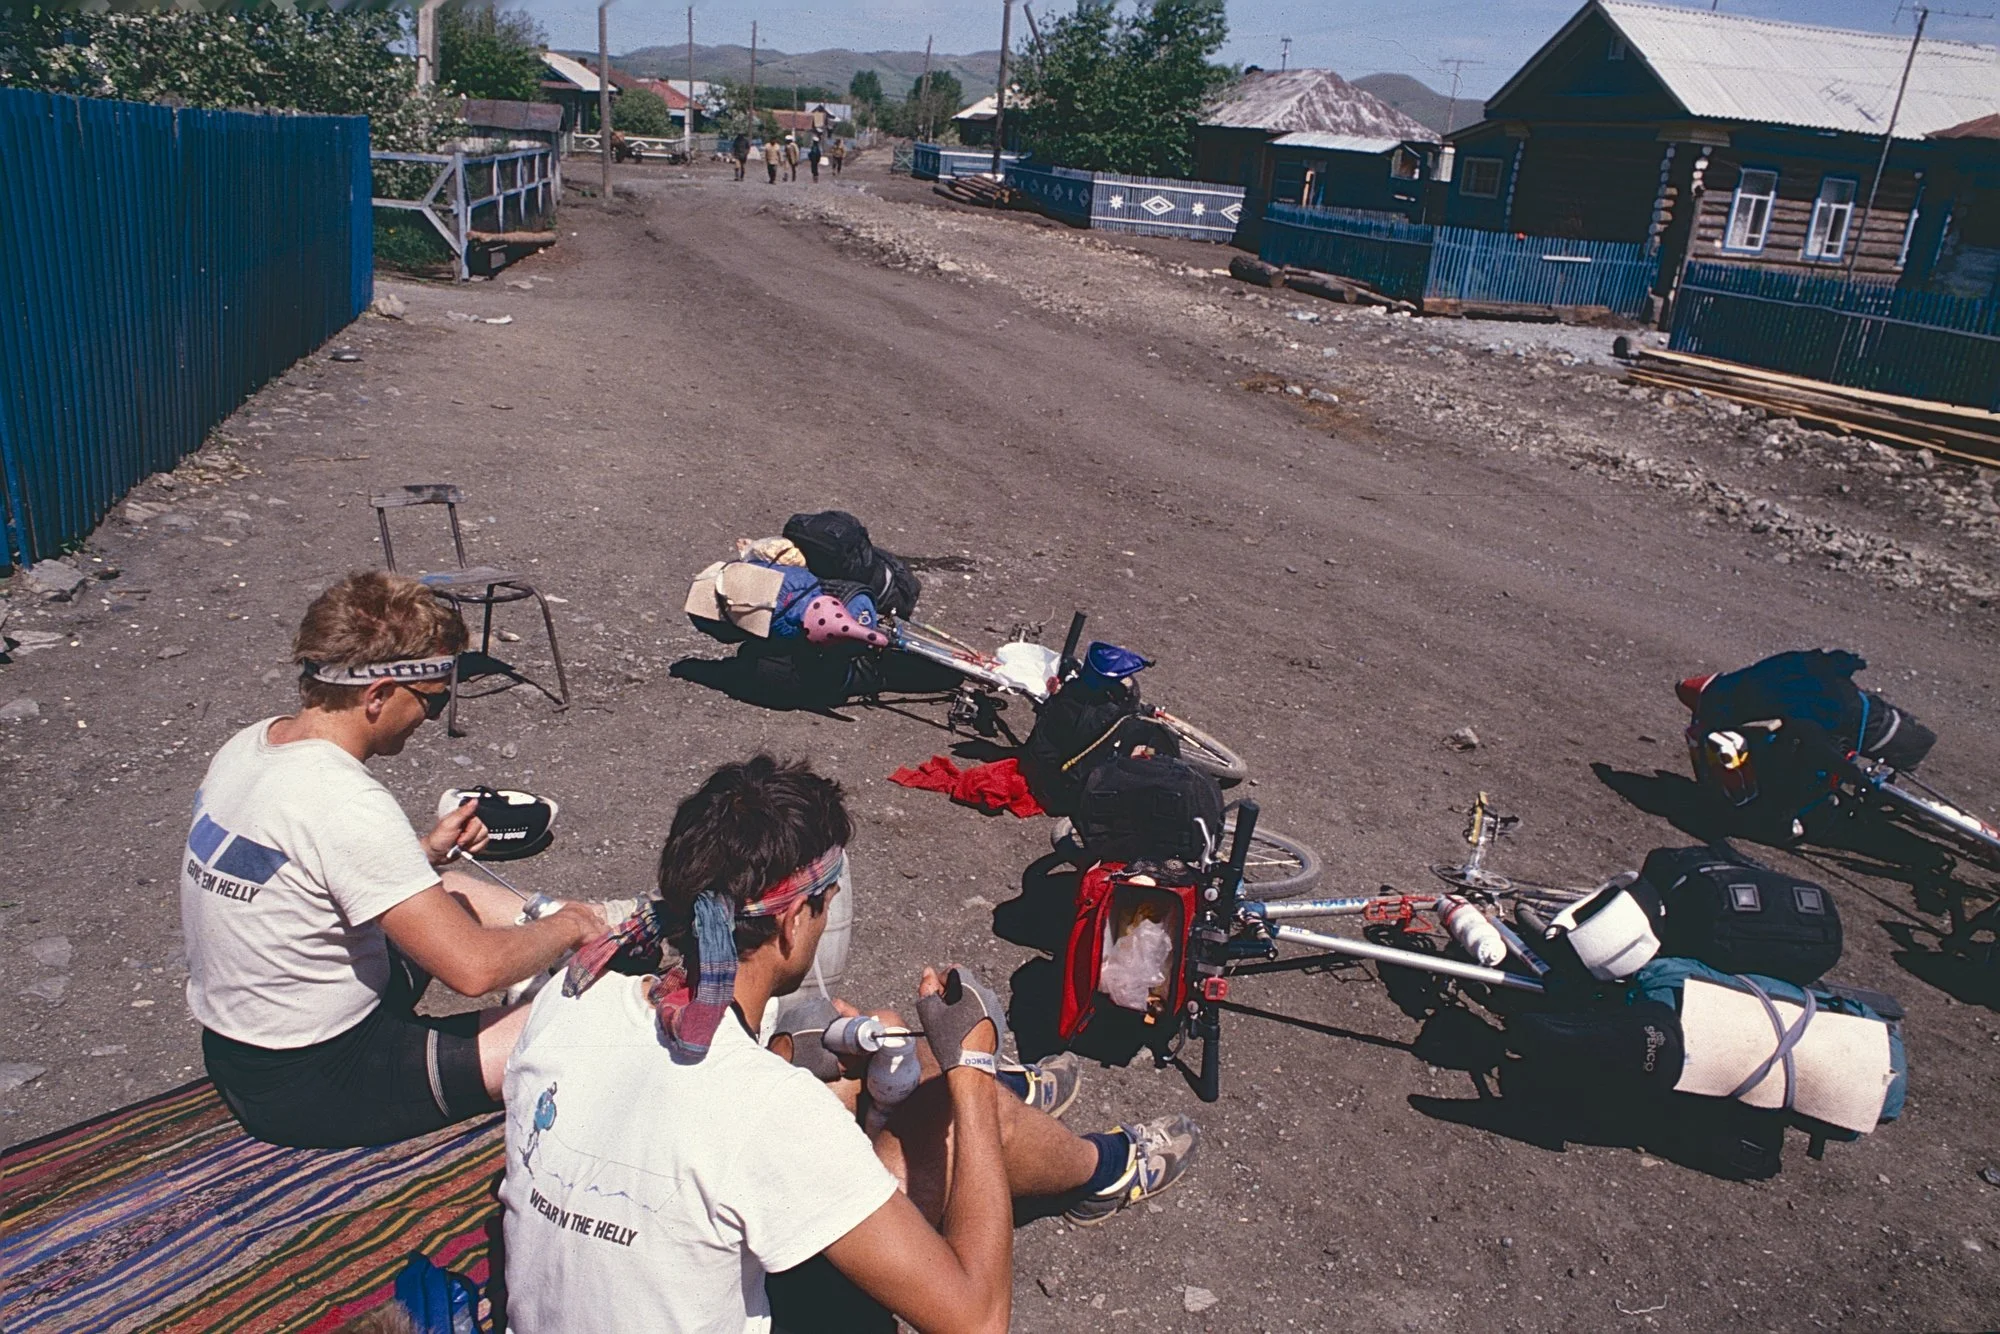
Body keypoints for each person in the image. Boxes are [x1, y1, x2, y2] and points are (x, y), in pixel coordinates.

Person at [500, 756, 1200, 1334]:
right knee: (951, 1118)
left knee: (863, 1072)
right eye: (829, 895)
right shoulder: (768, 1111)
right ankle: (1073, 1149)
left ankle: (1063, 1141)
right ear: (794, 921)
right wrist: (972, 1071)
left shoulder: (569, 1000)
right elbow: (978, 1320)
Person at [182, 570, 613, 1149]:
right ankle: (592, 931)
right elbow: (473, 972)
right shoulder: (344, 800)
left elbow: (309, 869)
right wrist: (568, 927)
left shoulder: (253, 745)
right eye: (433, 702)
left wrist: (425, 853)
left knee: (449, 884)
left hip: (238, 1046)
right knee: (593, 1028)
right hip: (313, 1080)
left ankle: (600, 928)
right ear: (380, 694)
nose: (431, 719)